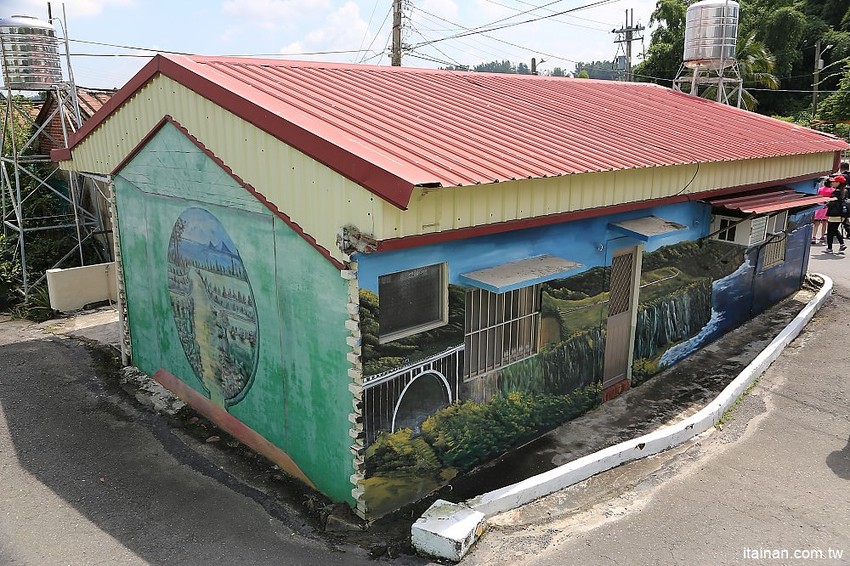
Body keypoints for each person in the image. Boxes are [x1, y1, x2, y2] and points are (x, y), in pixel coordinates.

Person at [825, 175, 848, 254]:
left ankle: (829, 248)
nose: (832, 183)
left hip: (834, 214)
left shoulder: (836, 192)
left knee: (830, 231)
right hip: (842, 214)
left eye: (834, 181)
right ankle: (842, 244)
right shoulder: (845, 191)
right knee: (835, 229)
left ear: (838, 183)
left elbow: (832, 203)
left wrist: (825, 205)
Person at [812, 177, 832, 244]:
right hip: (827, 207)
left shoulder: (820, 189)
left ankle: (814, 236)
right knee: (824, 223)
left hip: (819, 206)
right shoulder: (832, 190)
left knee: (816, 223)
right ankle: (822, 236)